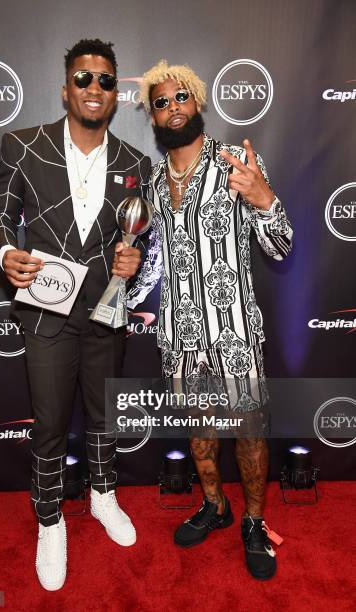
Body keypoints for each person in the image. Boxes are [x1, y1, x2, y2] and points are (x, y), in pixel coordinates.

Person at [0, 39, 151, 591]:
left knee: (104, 413)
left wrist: (135, 256)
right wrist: (8, 253)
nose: (94, 89)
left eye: (105, 80)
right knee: (51, 421)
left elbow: (135, 237)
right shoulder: (23, 146)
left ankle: (104, 497)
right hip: (47, 310)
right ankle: (50, 520)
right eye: (84, 79)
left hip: (107, 308)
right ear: (66, 88)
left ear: (115, 92)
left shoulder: (136, 162)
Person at [127, 60, 293, 580]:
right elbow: (155, 261)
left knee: (247, 430)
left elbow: (281, 247)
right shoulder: (154, 181)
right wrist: (130, 271)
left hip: (235, 333)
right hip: (179, 335)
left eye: (181, 98)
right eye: (161, 102)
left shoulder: (232, 164)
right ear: (152, 117)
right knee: (200, 430)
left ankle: (253, 521)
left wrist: (264, 199)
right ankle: (216, 505)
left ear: (198, 102)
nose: (172, 108)